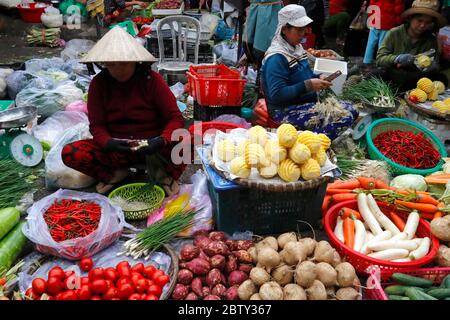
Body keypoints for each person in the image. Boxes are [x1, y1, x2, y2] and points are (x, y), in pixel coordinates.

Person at [62, 27, 185, 195]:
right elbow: (97, 126)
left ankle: (163, 174)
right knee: (70, 153)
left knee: (194, 137)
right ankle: (118, 173)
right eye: (112, 64)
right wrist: (108, 142)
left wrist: (161, 140)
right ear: (104, 64)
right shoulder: (99, 84)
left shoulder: (152, 80)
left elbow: (175, 117)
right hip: (117, 151)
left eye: (124, 63)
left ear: (136, 61)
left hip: (155, 148)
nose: (118, 69)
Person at [261, 4, 358, 138]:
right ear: (284, 29)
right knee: (343, 116)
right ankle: (311, 143)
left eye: (304, 29)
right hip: (284, 111)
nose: (303, 34)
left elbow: (304, 75)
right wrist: (308, 85)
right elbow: (277, 94)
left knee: (352, 108)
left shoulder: (296, 48)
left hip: (303, 102)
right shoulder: (277, 58)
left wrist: (318, 77)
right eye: (298, 30)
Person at [375, 0, 448, 92]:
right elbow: (380, 59)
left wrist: (433, 66)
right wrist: (396, 58)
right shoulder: (394, 33)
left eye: (427, 22)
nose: (422, 25)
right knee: (375, 74)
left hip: (416, 82)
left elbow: (435, 64)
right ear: (410, 18)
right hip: (392, 78)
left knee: (441, 78)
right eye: (419, 21)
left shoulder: (431, 39)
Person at [362, 0, 405, 67]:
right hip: (387, 22)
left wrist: (371, 16)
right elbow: (398, 10)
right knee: (382, 44)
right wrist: (398, 22)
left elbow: (372, 4)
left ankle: (367, 60)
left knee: (371, 42)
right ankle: (380, 62)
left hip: (375, 18)